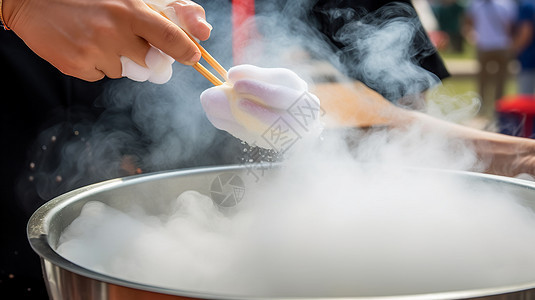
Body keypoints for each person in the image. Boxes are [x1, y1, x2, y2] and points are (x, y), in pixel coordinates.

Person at [464, 0, 517, 119]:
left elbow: (512, 25)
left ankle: (499, 110)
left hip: (502, 46)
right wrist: (471, 35)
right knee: (482, 80)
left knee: (501, 81)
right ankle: (481, 109)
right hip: (483, 45)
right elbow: (468, 21)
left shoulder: (507, 3)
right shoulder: (475, 4)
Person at [513, 0, 535, 95]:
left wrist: (515, 49)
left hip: (530, 58)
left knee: (525, 97)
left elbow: (526, 32)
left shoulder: (526, 6)